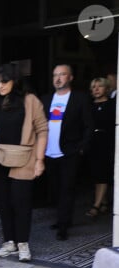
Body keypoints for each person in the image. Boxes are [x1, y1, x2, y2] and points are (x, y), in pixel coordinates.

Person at [0, 63, 48, 261]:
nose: (0, 85)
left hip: (24, 158)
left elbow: (42, 130)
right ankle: (9, 242)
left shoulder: (30, 100)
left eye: (4, 81)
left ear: (15, 81)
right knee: (4, 203)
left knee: (21, 202)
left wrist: (40, 160)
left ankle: (23, 244)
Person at [41, 64, 94, 241]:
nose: (58, 78)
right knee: (55, 189)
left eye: (62, 74)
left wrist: (81, 148)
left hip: (69, 152)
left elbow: (88, 125)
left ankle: (63, 226)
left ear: (70, 77)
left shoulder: (80, 99)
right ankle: (63, 219)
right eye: (55, 75)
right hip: (49, 152)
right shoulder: (46, 99)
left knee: (67, 189)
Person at [84, 77, 116, 217]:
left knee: (102, 174)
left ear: (106, 88)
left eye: (100, 86)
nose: (96, 89)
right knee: (95, 173)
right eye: (94, 86)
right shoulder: (88, 105)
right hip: (92, 142)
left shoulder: (112, 105)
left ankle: (96, 206)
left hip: (106, 142)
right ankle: (103, 202)